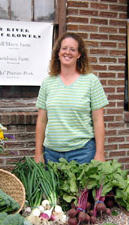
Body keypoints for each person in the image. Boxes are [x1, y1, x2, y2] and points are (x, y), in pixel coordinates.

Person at [35, 32, 108, 164]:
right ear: (58, 52)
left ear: (79, 54)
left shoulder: (91, 81)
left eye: (72, 49)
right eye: (64, 48)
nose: (67, 52)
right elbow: (41, 121)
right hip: (51, 154)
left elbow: (98, 121)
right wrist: (38, 153)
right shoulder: (47, 83)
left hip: (83, 153)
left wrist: (100, 153)